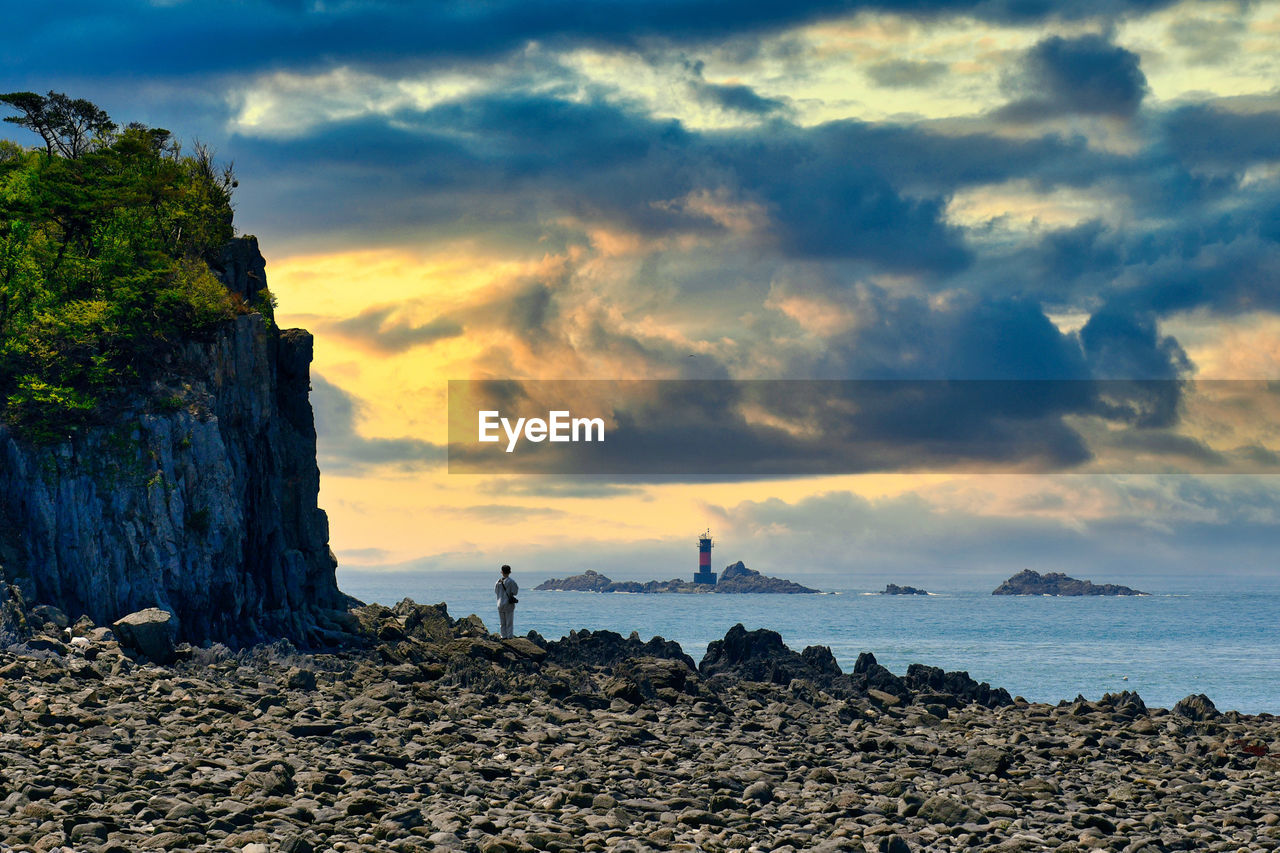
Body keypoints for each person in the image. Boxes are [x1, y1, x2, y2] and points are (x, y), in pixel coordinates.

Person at [495, 564, 518, 639]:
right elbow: (515, 592)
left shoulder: (498, 582)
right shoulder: (511, 581)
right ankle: (509, 636)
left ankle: (503, 636)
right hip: (508, 604)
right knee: (509, 622)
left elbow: (496, 591)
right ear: (509, 572)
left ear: (502, 572)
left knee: (502, 622)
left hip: (500, 604)